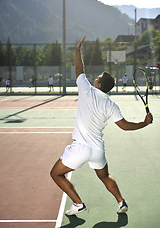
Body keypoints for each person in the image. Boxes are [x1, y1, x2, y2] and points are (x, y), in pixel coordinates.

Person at [50, 37, 153, 216]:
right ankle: (121, 202)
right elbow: (125, 126)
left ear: (98, 84)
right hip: (98, 149)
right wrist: (144, 123)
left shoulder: (86, 90)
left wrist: (77, 48)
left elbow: (79, 68)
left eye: (97, 78)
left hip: (80, 148)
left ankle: (78, 203)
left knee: (55, 174)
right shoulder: (111, 105)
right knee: (105, 176)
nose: (94, 78)